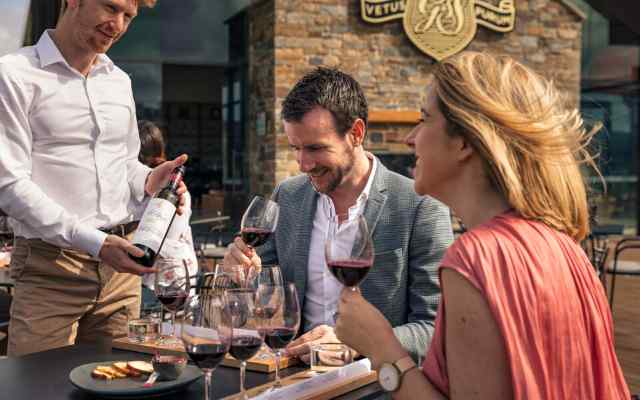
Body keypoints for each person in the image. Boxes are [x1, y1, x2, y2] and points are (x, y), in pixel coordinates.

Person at [335, 52, 630, 399]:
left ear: (465, 141)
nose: (410, 138)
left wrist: (381, 347)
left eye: (424, 119)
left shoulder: (475, 259)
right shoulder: (565, 246)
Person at [224, 67, 453, 362]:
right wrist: (246, 278)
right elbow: (268, 301)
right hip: (292, 375)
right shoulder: (288, 196)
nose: (303, 164)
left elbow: (435, 328)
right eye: (295, 148)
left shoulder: (422, 205)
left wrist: (358, 344)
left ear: (356, 133)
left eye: (315, 148)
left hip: (375, 382)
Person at [0, 0, 188, 357]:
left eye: (128, 16)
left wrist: (150, 179)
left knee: (120, 380)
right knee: (34, 384)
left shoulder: (119, 81)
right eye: (110, 7)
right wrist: (96, 242)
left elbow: (125, 165)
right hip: (50, 269)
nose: (117, 25)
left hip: (121, 275)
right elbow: (9, 185)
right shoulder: (13, 74)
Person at [136, 120, 198, 296]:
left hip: (165, 276)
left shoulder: (170, 187)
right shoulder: (167, 183)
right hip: (178, 272)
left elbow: (167, 237)